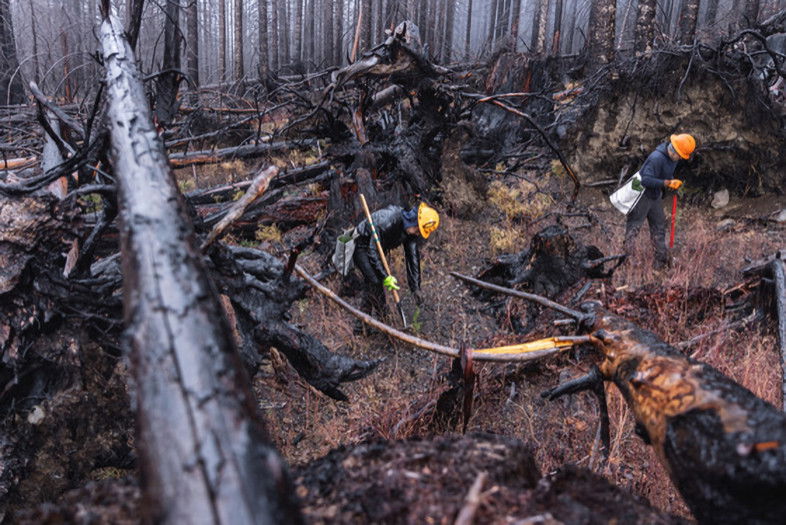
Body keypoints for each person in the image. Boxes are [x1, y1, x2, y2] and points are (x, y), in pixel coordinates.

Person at [352, 202, 439, 319]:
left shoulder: (410, 230)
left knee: (372, 284)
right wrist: (385, 276)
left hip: (378, 249)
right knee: (375, 282)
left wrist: (416, 288)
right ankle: (382, 320)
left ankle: (364, 324)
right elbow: (372, 251)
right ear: (414, 221)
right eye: (418, 230)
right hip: (362, 245)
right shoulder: (387, 221)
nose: (418, 234)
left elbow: (412, 256)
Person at [623, 133, 695, 269]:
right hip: (641, 196)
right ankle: (628, 261)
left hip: (654, 195)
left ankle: (660, 262)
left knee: (659, 227)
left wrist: (672, 183)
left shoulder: (673, 158)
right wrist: (667, 183)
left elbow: (666, 174)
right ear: (673, 150)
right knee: (634, 228)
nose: (680, 158)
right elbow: (646, 180)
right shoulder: (656, 158)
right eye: (679, 155)